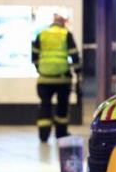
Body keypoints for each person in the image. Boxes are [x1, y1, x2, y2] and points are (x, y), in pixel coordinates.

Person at [32, 14, 81, 143]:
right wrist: (78, 72)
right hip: (62, 79)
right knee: (62, 107)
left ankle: (43, 135)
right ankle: (61, 133)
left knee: (45, 105)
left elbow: (34, 55)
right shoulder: (66, 34)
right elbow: (74, 54)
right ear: (63, 23)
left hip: (44, 79)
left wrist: (40, 69)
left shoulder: (42, 34)